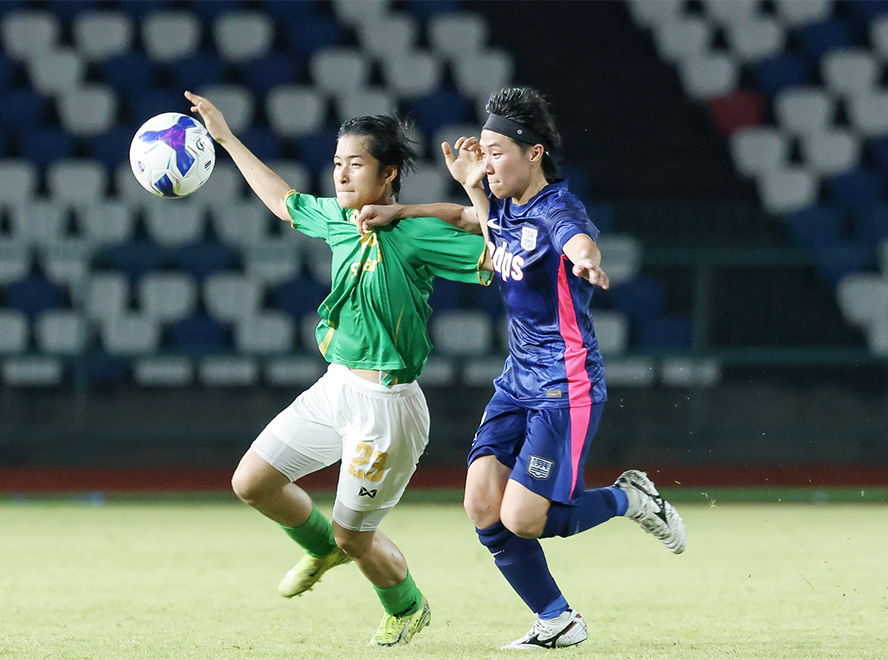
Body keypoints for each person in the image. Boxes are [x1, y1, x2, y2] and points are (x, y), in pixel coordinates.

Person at [356, 86, 687, 650]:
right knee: (482, 504)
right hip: (518, 379)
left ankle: (630, 499)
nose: (486, 163)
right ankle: (558, 619)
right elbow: (470, 217)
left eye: (496, 152)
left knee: (526, 519)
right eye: (481, 151)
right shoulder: (502, 203)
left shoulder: (558, 207)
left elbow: (576, 239)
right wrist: (404, 209)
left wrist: (586, 259)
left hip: (566, 383)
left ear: (533, 153)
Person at [183, 90, 491, 647]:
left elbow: (500, 257)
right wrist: (225, 138)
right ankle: (320, 546)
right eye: (336, 163)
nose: (342, 175)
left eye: (356, 164)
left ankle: (407, 605)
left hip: (387, 409)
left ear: (389, 172)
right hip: (337, 388)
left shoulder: (415, 234)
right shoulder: (339, 218)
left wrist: (469, 197)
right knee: (251, 483)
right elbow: (283, 200)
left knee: (357, 539)